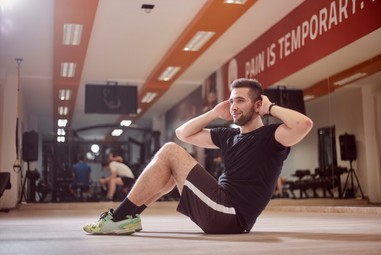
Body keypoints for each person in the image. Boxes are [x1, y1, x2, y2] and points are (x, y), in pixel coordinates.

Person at [84, 78, 313, 235]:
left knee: (170, 151)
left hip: (230, 215)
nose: (233, 106)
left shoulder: (271, 136)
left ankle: (117, 218)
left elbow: (303, 124)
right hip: (221, 206)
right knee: (171, 163)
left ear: (258, 104)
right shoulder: (228, 136)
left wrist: (270, 108)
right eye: (231, 100)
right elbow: (183, 133)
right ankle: (128, 217)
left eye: (240, 100)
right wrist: (214, 112)